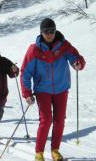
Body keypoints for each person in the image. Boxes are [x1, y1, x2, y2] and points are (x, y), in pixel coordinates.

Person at [20, 18, 86, 161]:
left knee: (60, 120)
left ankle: (55, 150)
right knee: (46, 120)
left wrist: (78, 63)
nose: (49, 34)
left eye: (52, 31)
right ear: (41, 32)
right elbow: (25, 72)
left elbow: (76, 57)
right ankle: (39, 153)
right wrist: (27, 93)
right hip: (43, 90)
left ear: (55, 31)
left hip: (61, 88)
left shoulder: (63, 46)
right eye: (46, 31)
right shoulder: (34, 50)